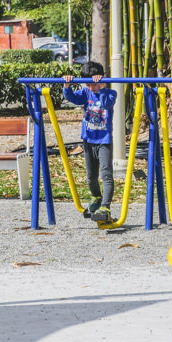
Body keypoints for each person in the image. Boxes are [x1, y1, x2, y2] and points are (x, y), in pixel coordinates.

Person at [63, 62, 117, 223]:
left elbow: (107, 104)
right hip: (88, 140)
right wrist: (67, 86)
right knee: (90, 177)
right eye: (88, 85)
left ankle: (106, 206)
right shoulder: (86, 92)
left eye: (94, 85)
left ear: (102, 80)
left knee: (106, 174)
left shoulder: (110, 93)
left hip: (104, 141)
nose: (92, 88)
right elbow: (72, 98)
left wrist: (101, 87)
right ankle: (96, 197)